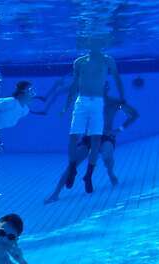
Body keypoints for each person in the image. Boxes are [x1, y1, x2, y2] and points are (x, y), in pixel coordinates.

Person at [45, 82, 139, 203]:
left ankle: (110, 172)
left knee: (107, 156)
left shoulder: (115, 103)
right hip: (88, 137)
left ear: (107, 89)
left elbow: (134, 114)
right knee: (72, 164)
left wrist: (119, 129)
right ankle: (55, 193)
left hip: (106, 136)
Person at [61, 38, 126, 194]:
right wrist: (67, 104)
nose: (95, 46)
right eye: (91, 43)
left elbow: (117, 78)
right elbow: (75, 84)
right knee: (73, 136)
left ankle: (88, 175)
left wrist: (123, 96)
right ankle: (72, 169)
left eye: (98, 43)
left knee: (96, 138)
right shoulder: (79, 62)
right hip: (81, 100)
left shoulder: (108, 60)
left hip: (97, 101)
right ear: (87, 44)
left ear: (102, 45)